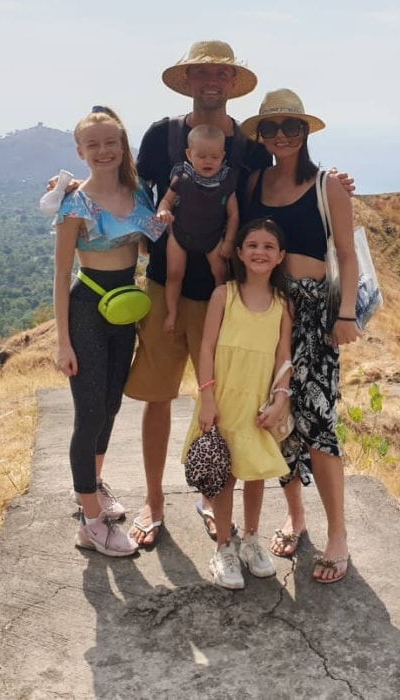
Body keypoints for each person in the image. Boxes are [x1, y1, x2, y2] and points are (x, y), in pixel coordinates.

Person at [124, 40, 272, 547]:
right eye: (202, 73)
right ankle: (153, 500)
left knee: (224, 404)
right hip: (167, 284)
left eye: (221, 74)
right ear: (187, 81)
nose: (212, 81)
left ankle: (214, 498)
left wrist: (332, 183)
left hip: (227, 296)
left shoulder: (251, 150)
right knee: (158, 398)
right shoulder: (162, 137)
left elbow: (266, 204)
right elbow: (135, 194)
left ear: (233, 83)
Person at [241, 89, 359, 583]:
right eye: (271, 128)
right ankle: (295, 515)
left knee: (319, 423)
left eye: (291, 126)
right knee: (277, 418)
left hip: (316, 314)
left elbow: (348, 256)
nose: (282, 135)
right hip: (268, 311)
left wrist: (346, 314)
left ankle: (338, 535)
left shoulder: (327, 183)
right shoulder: (252, 183)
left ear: (305, 132)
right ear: (261, 136)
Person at [52, 105, 163, 557]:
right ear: (80, 151)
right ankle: (91, 522)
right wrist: (63, 341)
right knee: (89, 413)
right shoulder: (75, 202)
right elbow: (60, 276)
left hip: (126, 310)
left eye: (110, 143)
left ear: (122, 147)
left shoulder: (139, 195)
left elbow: (160, 233)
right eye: (92, 144)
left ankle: (93, 487)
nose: (102, 151)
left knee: (111, 404)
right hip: (86, 309)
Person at [183, 218, 292, 589]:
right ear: (241, 253)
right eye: (253, 245)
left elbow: (283, 357)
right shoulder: (223, 295)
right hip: (223, 398)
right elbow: (207, 348)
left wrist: (280, 399)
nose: (260, 252)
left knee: (255, 471)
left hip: (258, 401)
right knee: (225, 475)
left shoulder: (282, 304)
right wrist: (207, 397)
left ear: (280, 257)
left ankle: (251, 540)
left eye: (268, 246)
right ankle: (224, 547)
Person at [157, 123, 239, 333]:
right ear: (189, 154)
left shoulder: (227, 181)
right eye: (201, 156)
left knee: (220, 272)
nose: (208, 161)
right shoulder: (182, 178)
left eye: (214, 156)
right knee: (174, 273)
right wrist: (163, 212)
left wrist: (229, 241)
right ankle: (172, 313)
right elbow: (165, 201)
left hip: (211, 236)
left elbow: (233, 215)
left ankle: (224, 312)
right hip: (180, 233)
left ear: (222, 155)